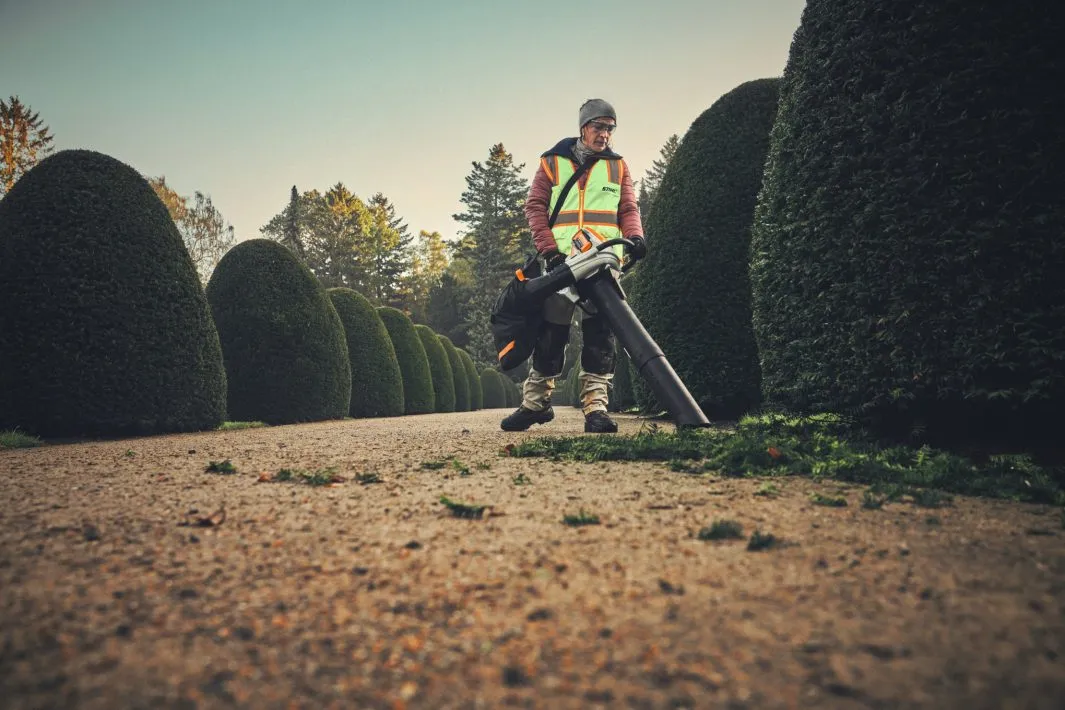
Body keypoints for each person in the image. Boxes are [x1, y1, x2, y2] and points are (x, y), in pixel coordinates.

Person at [501, 98, 647, 434]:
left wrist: (635, 238)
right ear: (583, 128)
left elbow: (628, 209)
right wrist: (550, 251)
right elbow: (535, 207)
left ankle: (596, 408)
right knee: (550, 334)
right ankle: (535, 404)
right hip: (563, 264)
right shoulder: (552, 163)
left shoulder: (618, 166)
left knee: (600, 336)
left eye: (610, 128)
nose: (605, 134)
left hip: (603, 262)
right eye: (599, 127)